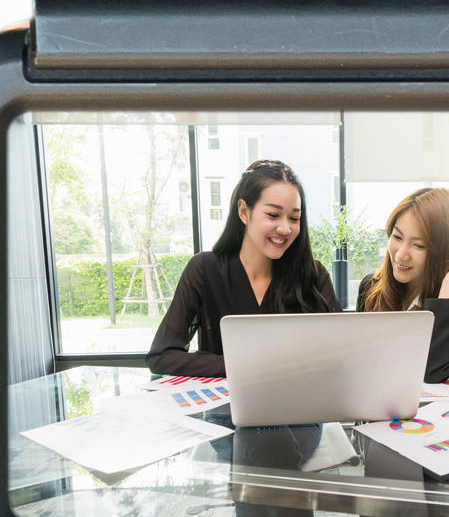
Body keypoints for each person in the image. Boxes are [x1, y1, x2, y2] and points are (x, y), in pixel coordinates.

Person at [145, 159, 338, 374]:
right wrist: (241, 367)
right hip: (225, 406)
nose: (285, 228)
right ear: (244, 212)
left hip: (299, 405)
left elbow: (342, 353)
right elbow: (161, 356)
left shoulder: (313, 275)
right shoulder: (204, 269)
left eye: (294, 218)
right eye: (273, 215)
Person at [357, 183, 449, 385]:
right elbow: (361, 369)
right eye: (397, 236)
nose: (401, 254)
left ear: (444, 251)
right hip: (387, 413)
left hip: (447, 414)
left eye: (419, 245)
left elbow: (434, 371)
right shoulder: (371, 288)